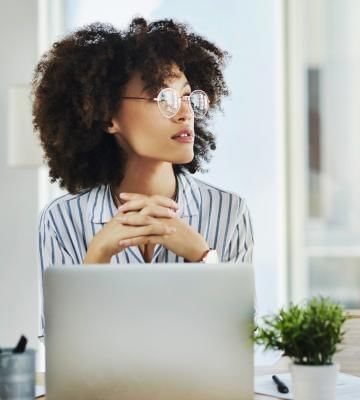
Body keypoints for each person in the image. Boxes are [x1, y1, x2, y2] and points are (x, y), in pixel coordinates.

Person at [33, 18, 254, 337]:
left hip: (198, 389)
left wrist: (203, 257)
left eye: (188, 97)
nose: (185, 113)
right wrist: (97, 257)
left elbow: (241, 340)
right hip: (102, 389)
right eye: (164, 99)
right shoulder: (63, 220)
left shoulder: (230, 213)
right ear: (109, 115)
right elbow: (62, 347)